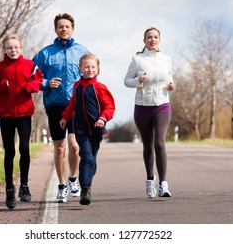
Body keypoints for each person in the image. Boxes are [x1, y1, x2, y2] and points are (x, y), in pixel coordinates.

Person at [33, 13, 89, 203]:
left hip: (76, 104)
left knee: (74, 146)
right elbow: (31, 78)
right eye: (60, 26)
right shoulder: (45, 54)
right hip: (55, 104)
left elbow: (91, 73)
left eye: (67, 26)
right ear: (55, 29)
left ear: (72, 29)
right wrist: (47, 82)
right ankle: (62, 185)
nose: (63, 29)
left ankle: (74, 179)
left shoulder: (82, 51)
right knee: (59, 149)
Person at [0, 34, 43, 210]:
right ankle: (9, 188)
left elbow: (39, 80)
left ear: (21, 48)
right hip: (6, 115)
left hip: (25, 113)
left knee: (24, 149)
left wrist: (31, 87)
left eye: (16, 47)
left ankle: (24, 186)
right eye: (10, 48)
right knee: (9, 151)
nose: (13, 50)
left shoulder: (30, 65)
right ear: (4, 50)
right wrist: (2, 86)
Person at [124, 27, 174, 198]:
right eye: (149, 37)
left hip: (162, 104)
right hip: (143, 106)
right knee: (148, 146)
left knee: (159, 143)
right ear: (144, 41)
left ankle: (164, 185)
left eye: (156, 37)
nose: (153, 40)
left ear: (159, 40)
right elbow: (126, 81)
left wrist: (171, 86)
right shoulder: (137, 60)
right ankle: (150, 180)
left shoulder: (166, 59)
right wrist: (138, 80)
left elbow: (169, 78)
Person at [60, 53, 115, 205]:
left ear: (97, 70)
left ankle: (86, 181)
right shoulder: (77, 86)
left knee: (92, 160)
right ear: (80, 69)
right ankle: (86, 189)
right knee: (86, 157)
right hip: (81, 128)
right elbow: (72, 104)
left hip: (96, 129)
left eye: (92, 67)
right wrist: (65, 117)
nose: (89, 69)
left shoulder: (100, 87)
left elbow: (109, 106)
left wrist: (103, 119)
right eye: (86, 67)